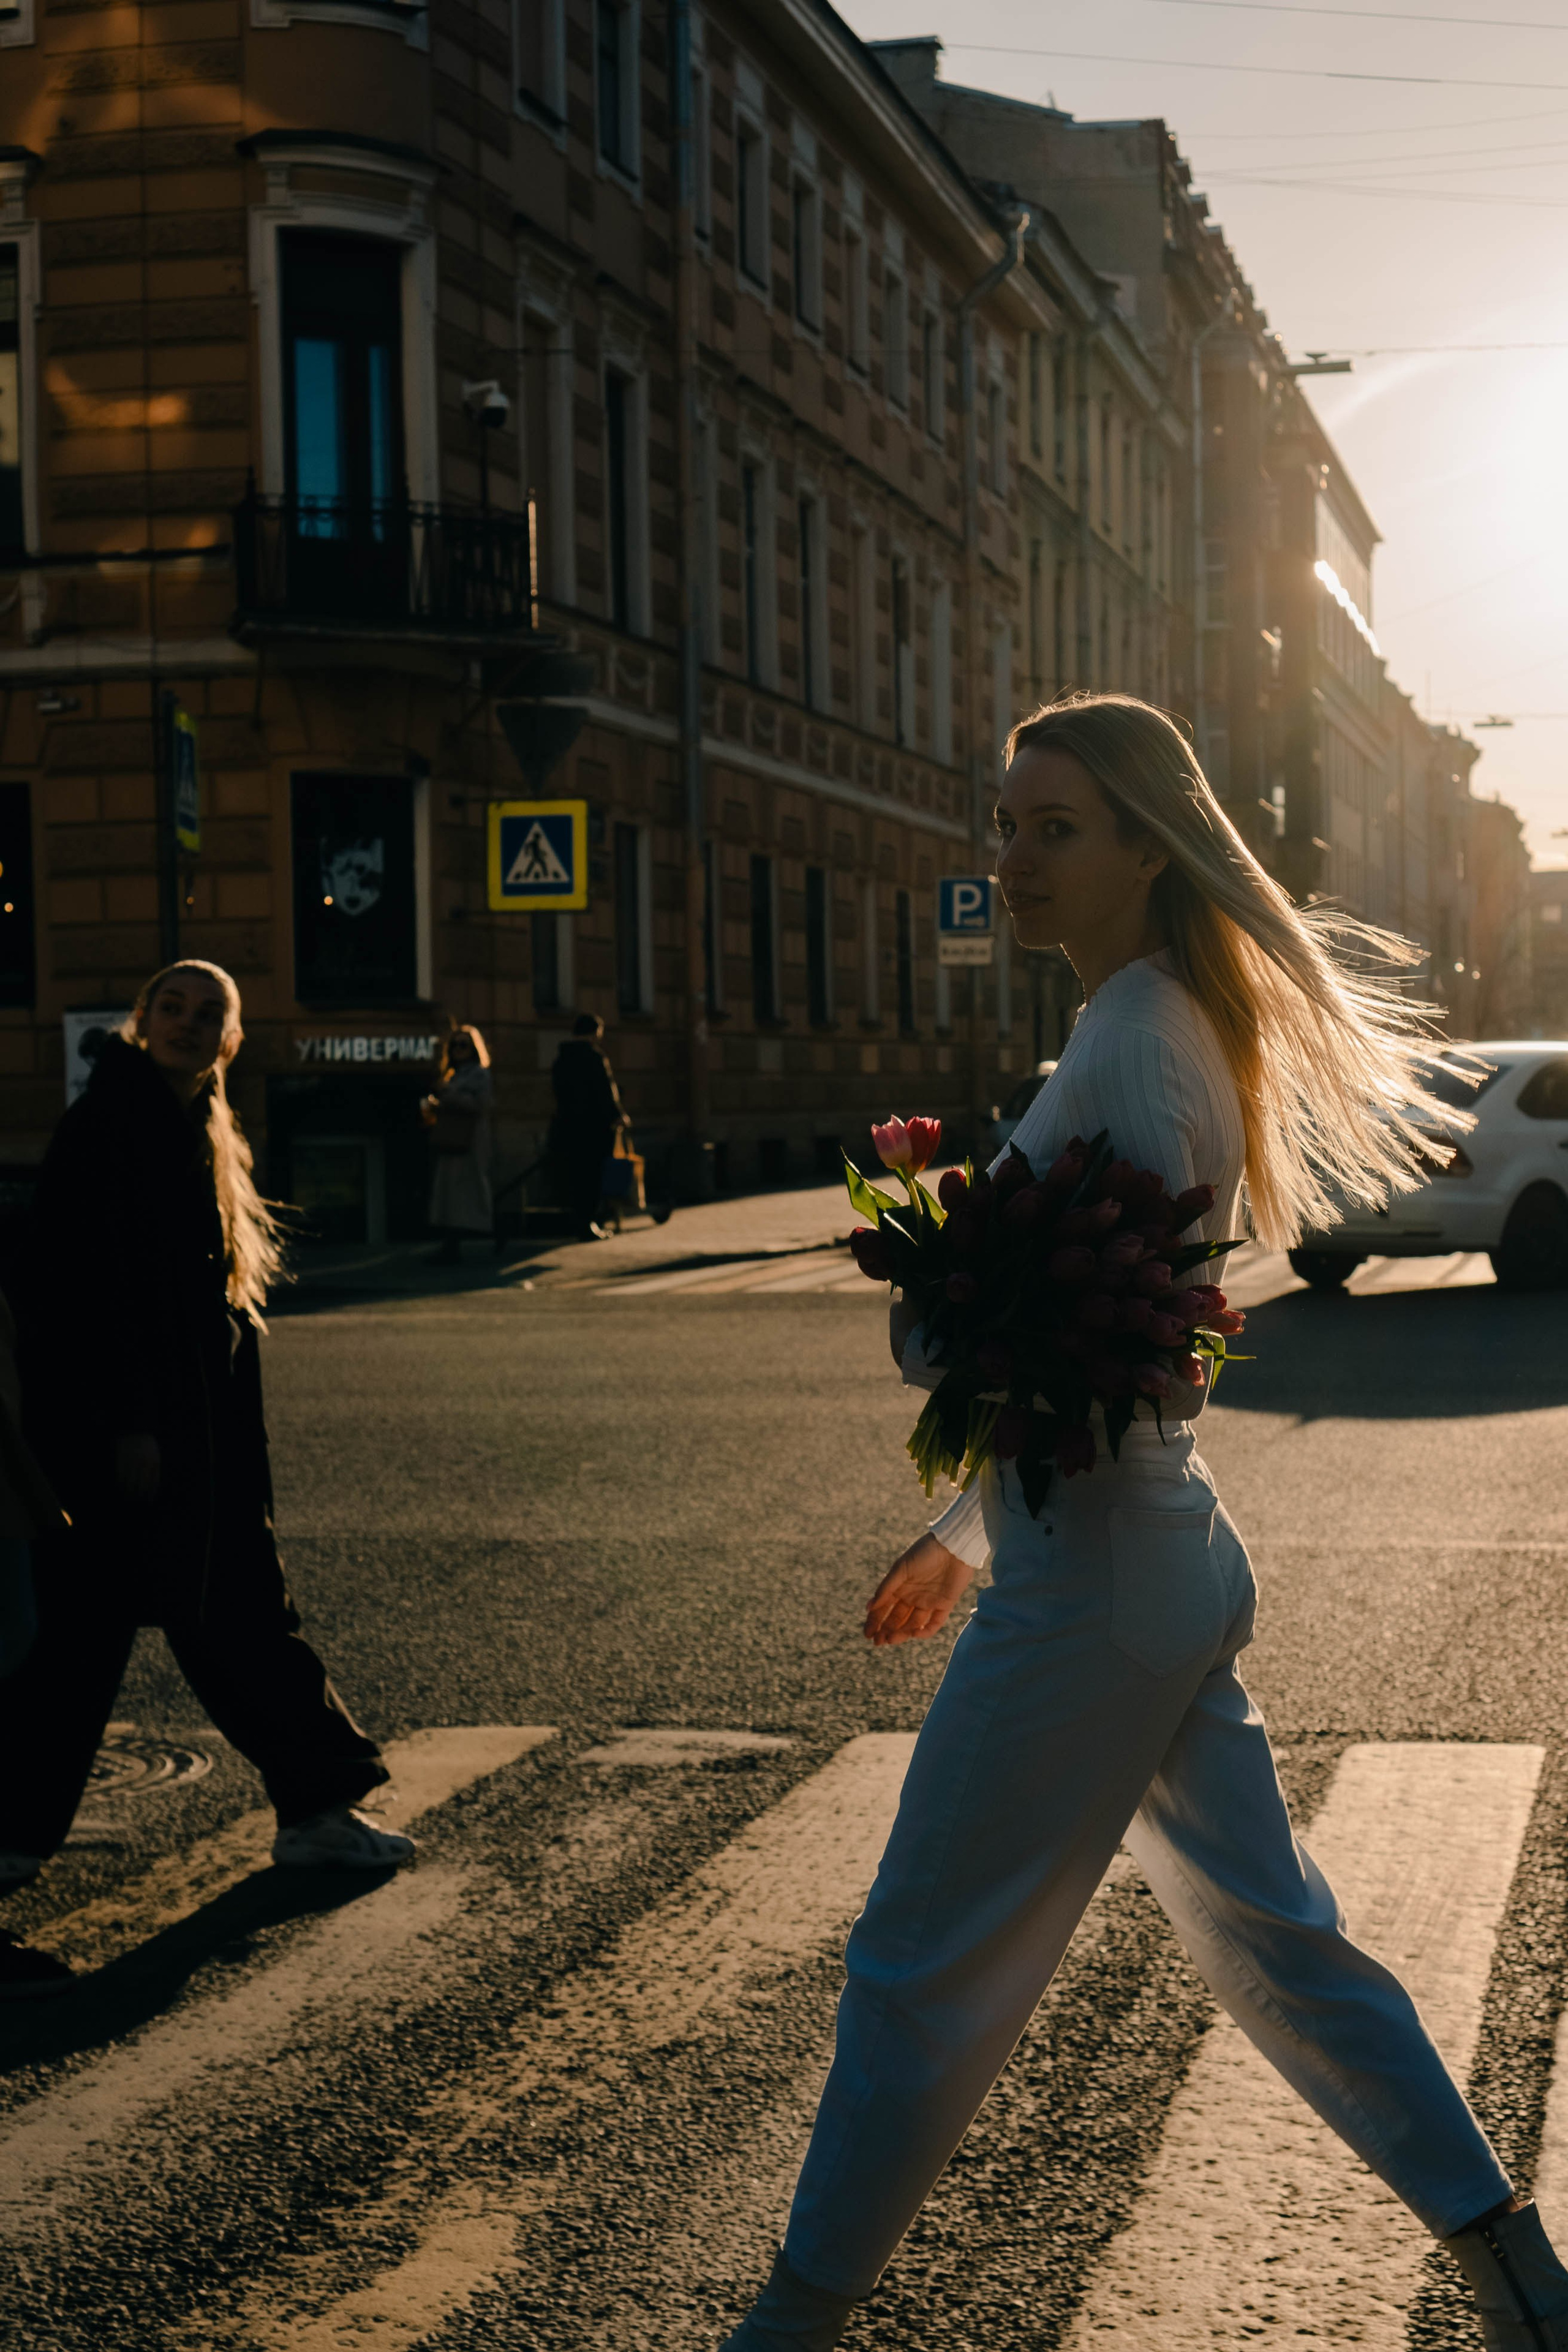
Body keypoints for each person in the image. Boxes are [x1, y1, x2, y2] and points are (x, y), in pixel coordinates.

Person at [720, 693, 1568, 2352]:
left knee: (917, 1959)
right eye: (1006, 825)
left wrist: (929, 1303)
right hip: (1146, 1554)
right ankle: (1515, 2275)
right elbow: (1149, 1344)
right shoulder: (1169, 1017)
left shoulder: (1126, 1036)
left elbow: (1090, 1345)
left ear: (1144, 845)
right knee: (1281, 1944)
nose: (1014, 859)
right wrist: (964, 1535)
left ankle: (789, 2329)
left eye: (1056, 828)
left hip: (1098, 1580)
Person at [0, 960, 413, 1998]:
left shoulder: (192, 1125)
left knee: (228, 1613)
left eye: (207, 1013)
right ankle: (9, 1844)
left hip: (188, 1435)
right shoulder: (112, 1124)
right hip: (130, 1443)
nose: (187, 1023)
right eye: (170, 1007)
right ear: (140, 1023)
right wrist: (130, 1424)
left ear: (231, 1041)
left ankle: (317, 1809)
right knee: (83, 1645)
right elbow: (83, 1288)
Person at [549, 1014, 625, 1242]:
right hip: (595, 1128)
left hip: (568, 1126)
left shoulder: (561, 1059)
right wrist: (618, 1115)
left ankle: (578, 1221)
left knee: (575, 1175)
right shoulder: (594, 1057)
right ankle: (588, 1223)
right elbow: (605, 1091)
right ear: (595, 1032)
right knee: (593, 1176)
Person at [422, 1023, 494, 1264]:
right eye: (455, 1045)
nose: (458, 1050)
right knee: (448, 1193)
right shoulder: (453, 1074)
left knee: (464, 1191)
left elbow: (480, 1105)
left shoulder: (479, 1074)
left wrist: (448, 1095)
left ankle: (457, 1244)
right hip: (450, 1138)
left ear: (474, 1048)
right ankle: (450, 1244)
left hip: (469, 1140)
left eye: (464, 1045)